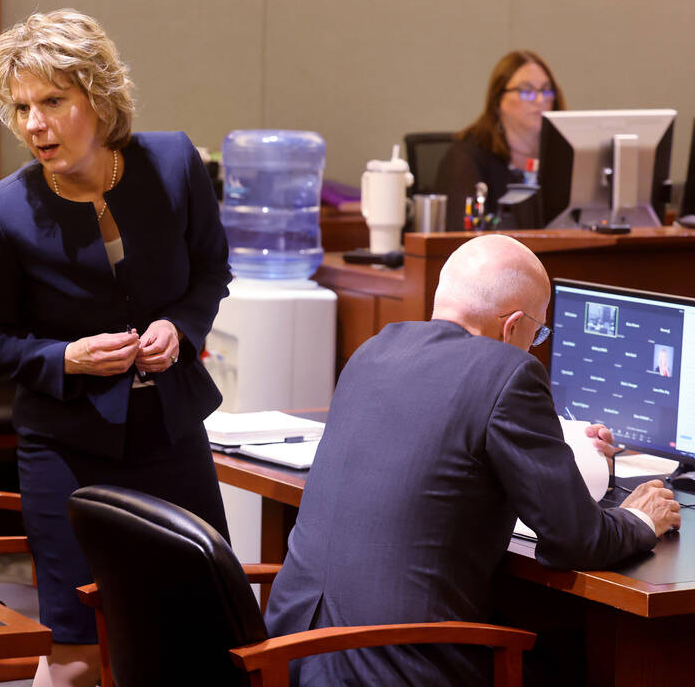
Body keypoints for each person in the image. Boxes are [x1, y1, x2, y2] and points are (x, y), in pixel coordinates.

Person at [263, 234, 679, 687]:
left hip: (291, 653)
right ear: (513, 326)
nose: (533, 345)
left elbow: (443, 427)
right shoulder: (509, 370)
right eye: (538, 333)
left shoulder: (375, 351)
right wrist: (638, 518)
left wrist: (558, 434)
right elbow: (574, 539)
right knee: (573, 660)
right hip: (399, 667)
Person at [0, 9, 231, 687]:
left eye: (53, 101)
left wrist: (183, 327)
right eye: (20, 106)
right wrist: (66, 359)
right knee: (78, 647)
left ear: (100, 97)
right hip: (67, 446)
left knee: (206, 626)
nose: (34, 124)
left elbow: (209, 273)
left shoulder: (174, 164)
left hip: (172, 431)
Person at [435, 50, 567, 230]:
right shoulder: (467, 157)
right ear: (498, 100)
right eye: (526, 91)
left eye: (545, 90)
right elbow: (464, 234)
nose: (540, 100)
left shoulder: (562, 156)